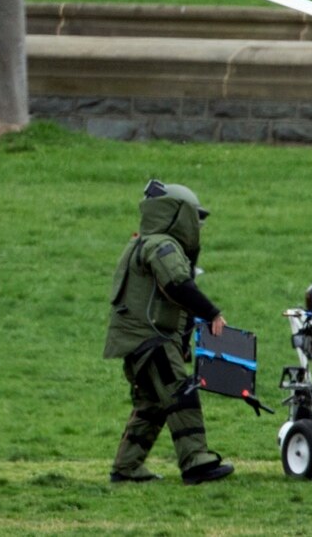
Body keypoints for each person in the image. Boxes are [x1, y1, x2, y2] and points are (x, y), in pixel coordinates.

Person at [103, 179, 234, 485]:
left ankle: (126, 468)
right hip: (152, 340)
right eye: (196, 219)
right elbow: (177, 285)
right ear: (177, 214)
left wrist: (184, 339)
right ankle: (196, 462)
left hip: (138, 341)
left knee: (152, 405)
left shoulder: (142, 243)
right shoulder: (163, 245)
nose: (199, 227)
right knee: (181, 394)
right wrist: (212, 313)